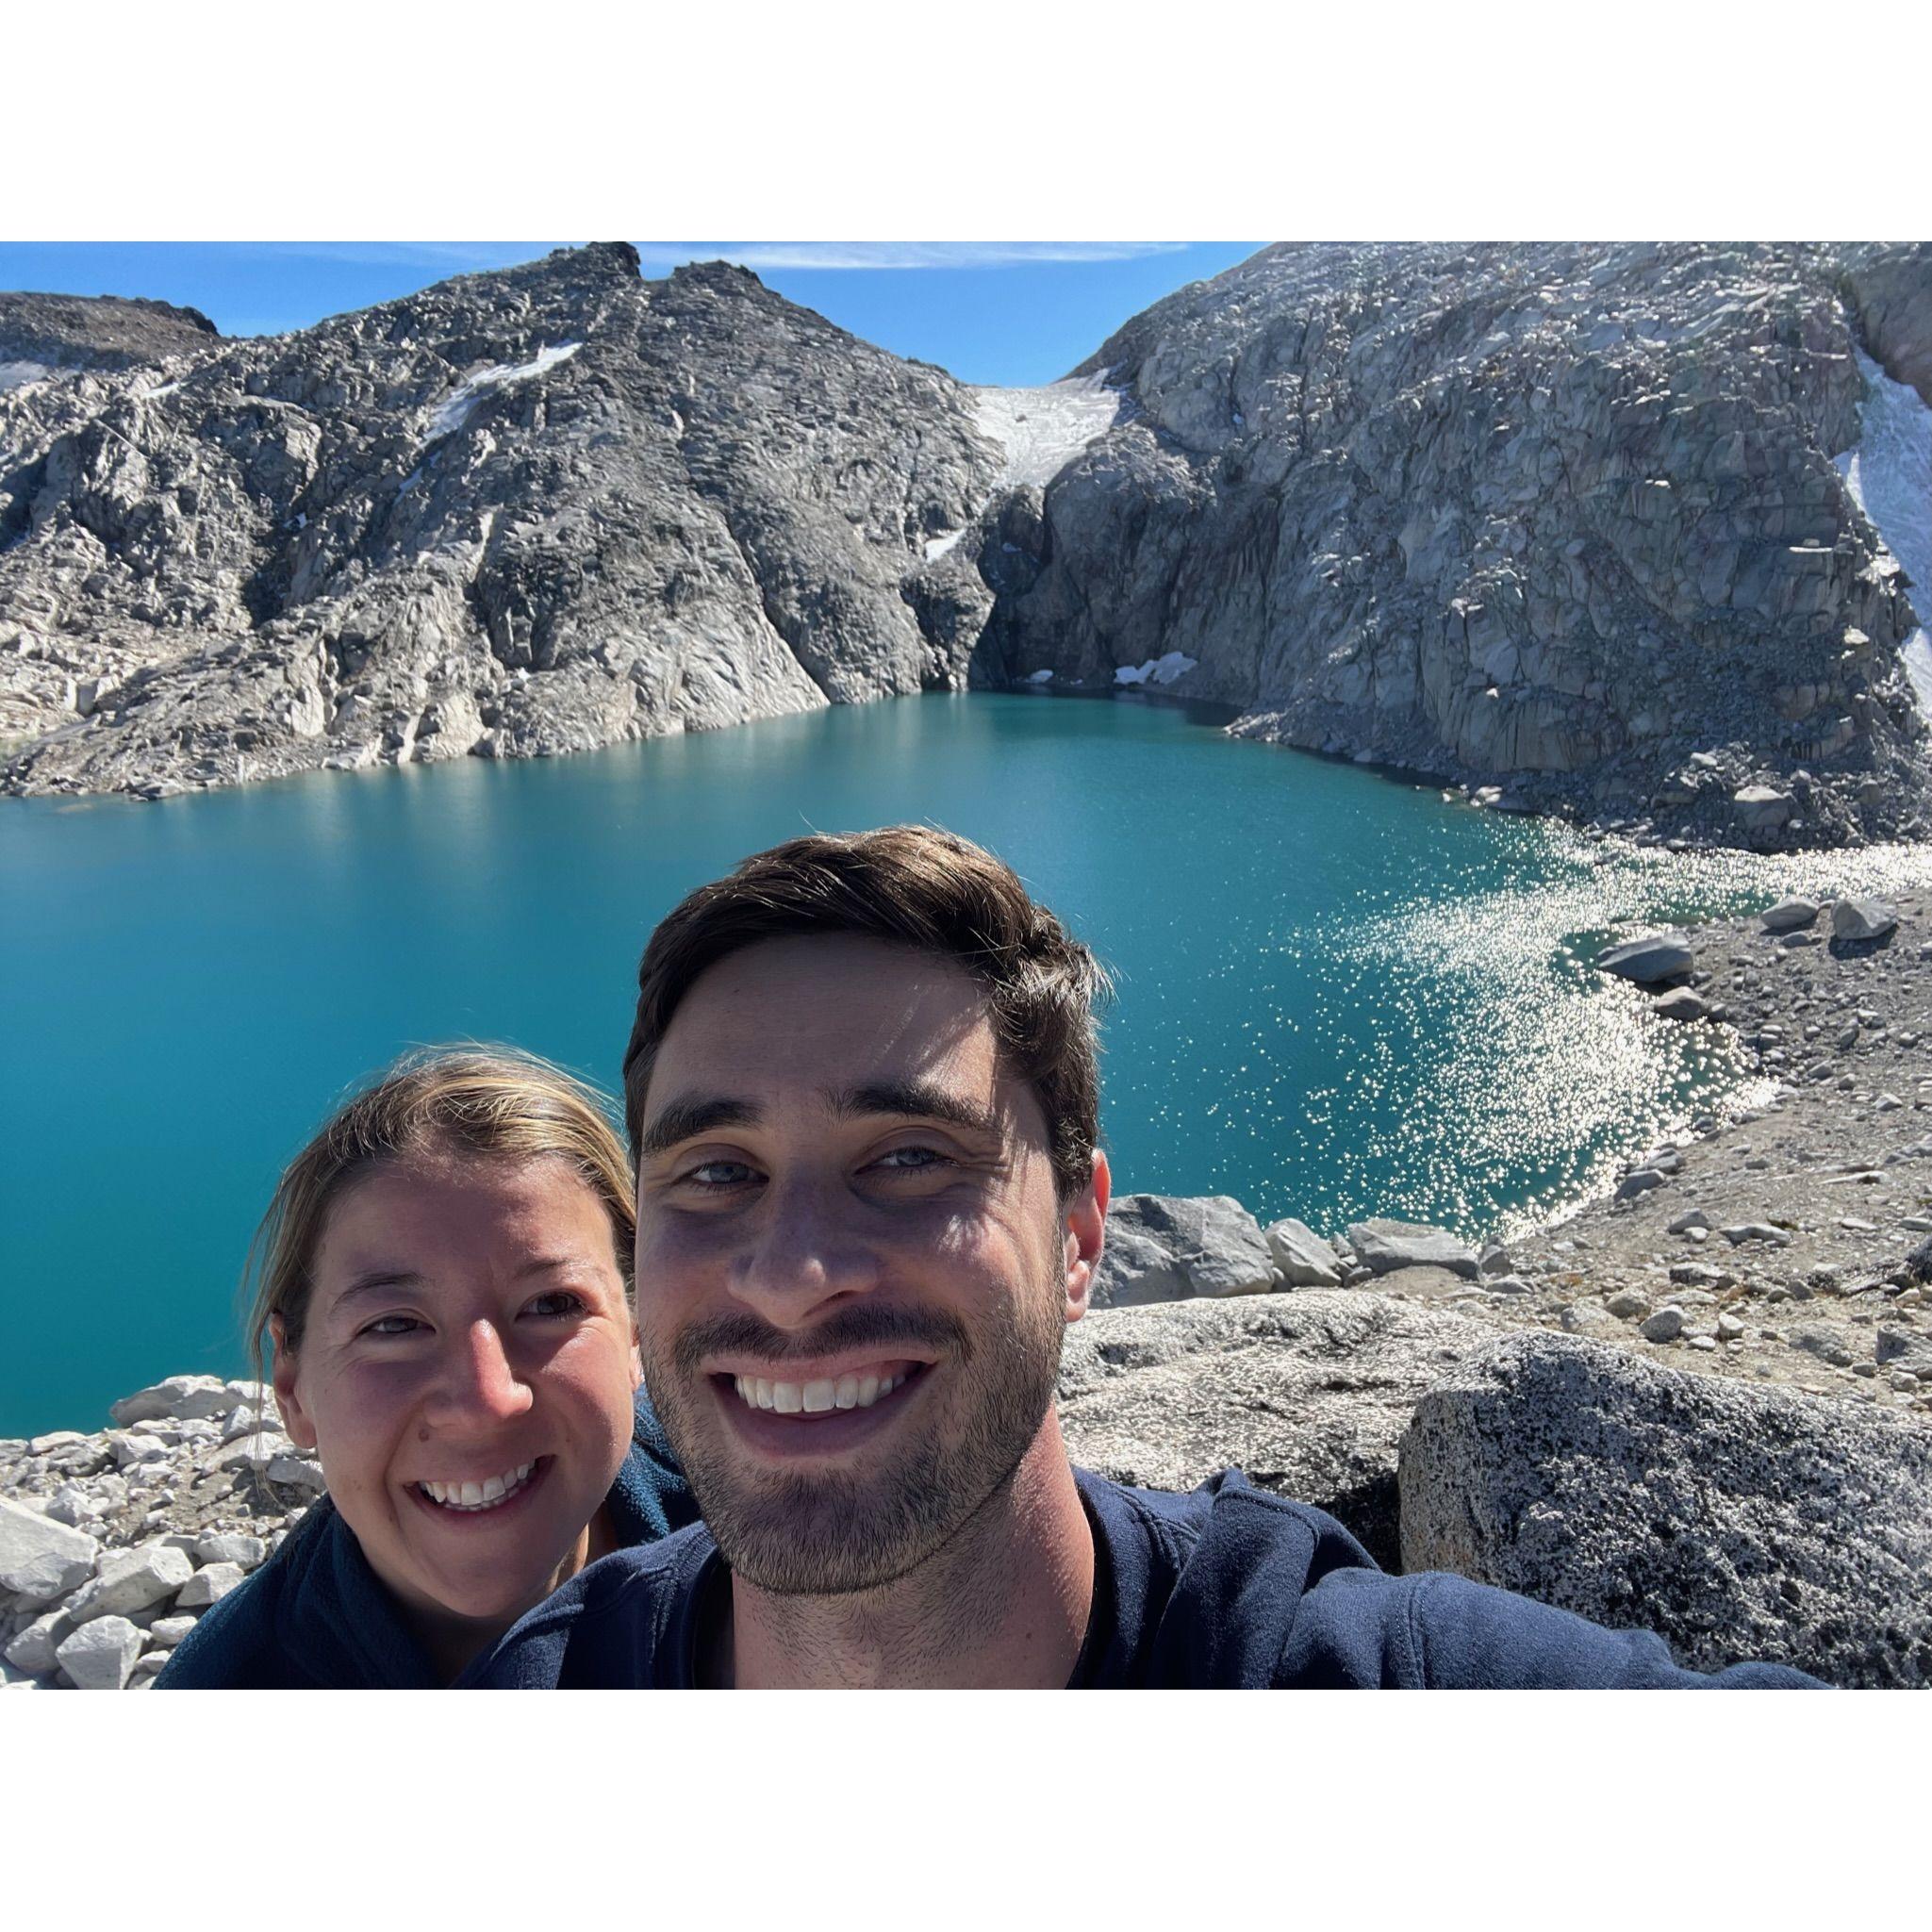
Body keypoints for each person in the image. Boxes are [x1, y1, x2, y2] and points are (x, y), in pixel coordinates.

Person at [464, 827, 1823, 1690]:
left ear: (1080, 1236)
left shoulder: (1342, 1677)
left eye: (908, 1159)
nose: (792, 1270)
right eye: (717, 1174)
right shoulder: (547, 1691)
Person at [159, 1049, 699, 1688]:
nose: (484, 1400)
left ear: (636, 1337)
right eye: (392, 1324)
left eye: (552, 1304)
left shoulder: (758, 1522)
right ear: (292, 1387)